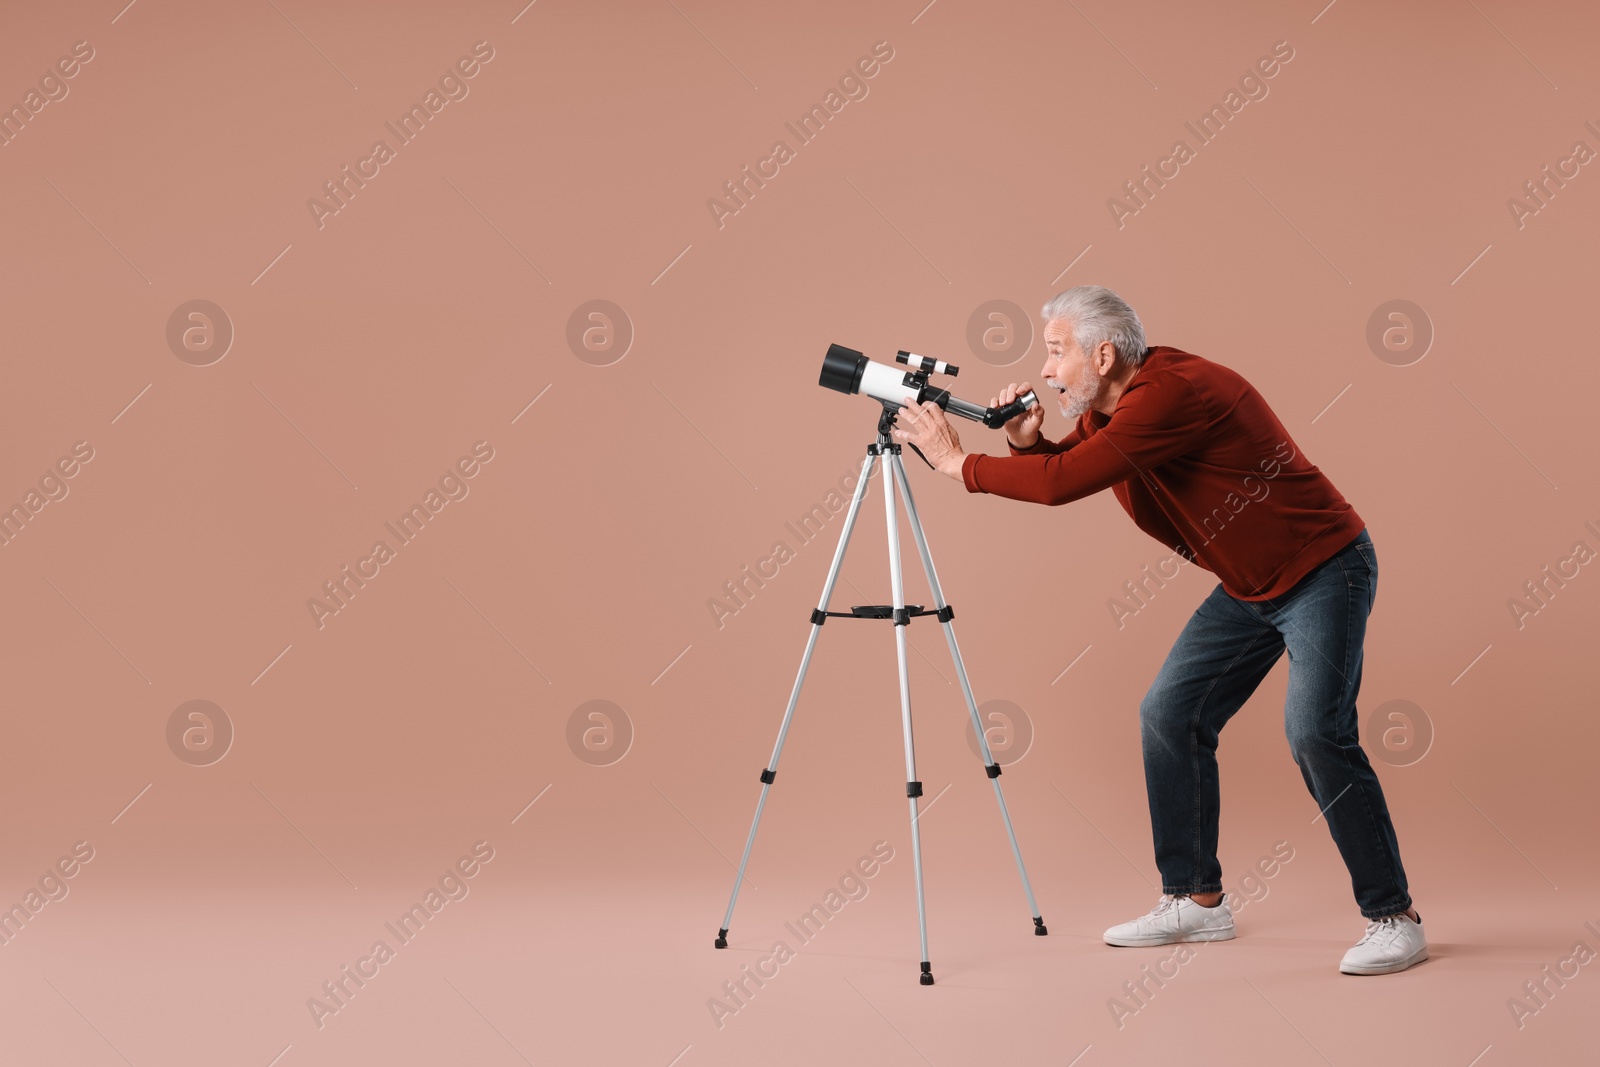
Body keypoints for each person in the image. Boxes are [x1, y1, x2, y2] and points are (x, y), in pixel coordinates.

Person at [891, 285, 1425, 975]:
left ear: (1104, 354)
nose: (1047, 371)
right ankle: (1197, 901)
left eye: (1057, 353)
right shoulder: (1119, 405)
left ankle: (1393, 915)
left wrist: (954, 463)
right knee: (1169, 714)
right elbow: (1062, 465)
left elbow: (1061, 486)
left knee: (1315, 730)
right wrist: (1027, 442)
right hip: (1250, 583)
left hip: (1324, 570)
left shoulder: (1172, 394)